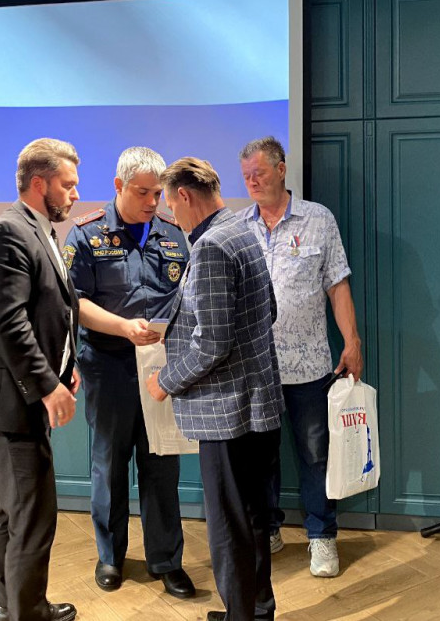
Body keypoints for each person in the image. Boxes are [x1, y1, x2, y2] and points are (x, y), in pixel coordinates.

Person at [146, 157, 284, 621]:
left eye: (170, 204)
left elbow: (212, 343)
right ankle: (255, 611)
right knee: (253, 518)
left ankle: (242, 615)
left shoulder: (210, 246)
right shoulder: (243, 230)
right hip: (257, 404)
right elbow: (268, 310)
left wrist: (165, 381)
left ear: (185, 195)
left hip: (227, 415)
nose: (172, 215)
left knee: (229, 527)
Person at [0, 138, 82, 621]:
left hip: (12, 397)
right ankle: (26, 613)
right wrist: (48, 386)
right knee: (31, 514)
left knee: (14, 510)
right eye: (67, 185)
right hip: (5, 403)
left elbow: (52, 310)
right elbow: (7, 322)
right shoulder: (7, 234)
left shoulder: (38, 230)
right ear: (39, 183)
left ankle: (15, 607)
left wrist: (65, 367)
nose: (75, 194)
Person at [63, 146, 195, 599]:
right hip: (109, 365)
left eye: (158, 193)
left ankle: (166, 561)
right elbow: (74, 303)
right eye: (142, 192)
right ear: (118, 186)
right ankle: (110, 557)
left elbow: (186, 297)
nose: (152, 202)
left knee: (162, 464)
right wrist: (122, 327)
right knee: (109, 464)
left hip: (161, 367)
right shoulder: (86, 234)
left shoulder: (174, 234)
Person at [238, 136, 364, 578]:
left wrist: (352, 341)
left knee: (315, 455)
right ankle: (269, 529)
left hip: (310, 366)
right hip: (256, 368)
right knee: (260, 457)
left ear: (281, 169)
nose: (253, 182)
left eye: (259, 172)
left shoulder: (318, 219)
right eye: (246, 176)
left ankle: (322, 536)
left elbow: (337, 285)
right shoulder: (239, 227)